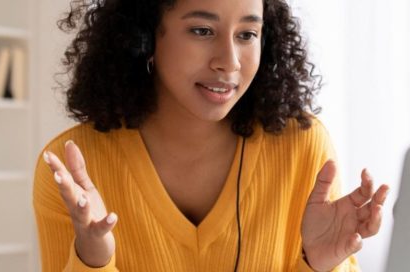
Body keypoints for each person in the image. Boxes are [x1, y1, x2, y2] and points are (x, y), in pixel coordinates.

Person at [33, 0, 389, 271]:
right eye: (202, 30)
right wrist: (93, 259)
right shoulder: (73, 170)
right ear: (143, 37)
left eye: (247, 34)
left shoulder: (303, 147)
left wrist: (316, 264)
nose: (229, 61)